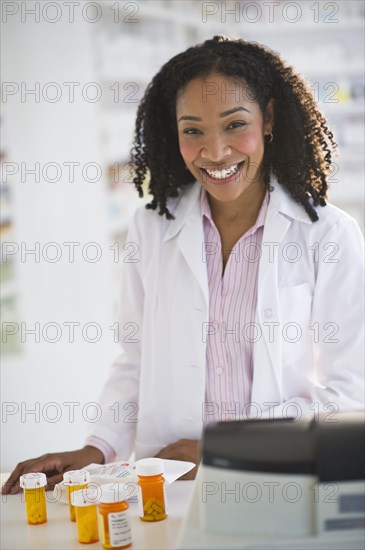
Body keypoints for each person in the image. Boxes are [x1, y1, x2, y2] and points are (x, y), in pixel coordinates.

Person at [3, 35, 364, 494]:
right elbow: (134, 361)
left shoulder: (327, 235)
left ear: (268, 117)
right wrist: (96, 450)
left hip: (275, 481)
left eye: (235, 125)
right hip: (164, 485)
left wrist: (223, 448)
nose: (215, 152)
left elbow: (349, 397)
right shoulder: (151, 228)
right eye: (193, 130)